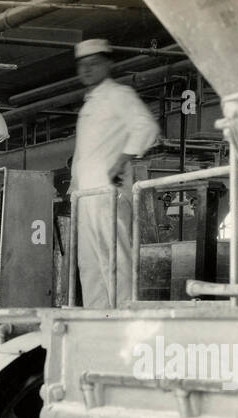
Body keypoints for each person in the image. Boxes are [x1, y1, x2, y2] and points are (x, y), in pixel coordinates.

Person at [69, 39, 160, 308]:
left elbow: (146, 127)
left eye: (93, 64)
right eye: (82, 65)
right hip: (86, 196)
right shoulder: (89, 104)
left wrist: (121, 161)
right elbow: (84, 154)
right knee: (89, 264)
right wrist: (73, 190)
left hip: (108, 192)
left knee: (115, 258)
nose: (86, 70)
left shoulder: (119, 95)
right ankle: (97, 320)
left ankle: (122, 316)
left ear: (108, 64)